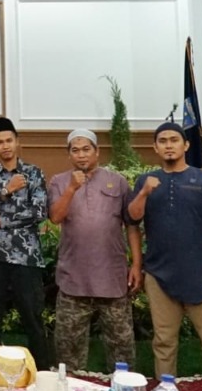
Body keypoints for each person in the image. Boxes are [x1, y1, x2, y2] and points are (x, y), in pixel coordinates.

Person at [127, 122, 202, 391]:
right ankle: (166, 389)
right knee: (163, 338)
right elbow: (132, 218)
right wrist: (144, 192)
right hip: (159, 273)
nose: (169, 145)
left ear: (186, 145)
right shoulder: (146, 181)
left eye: (174, 140)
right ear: (155, 147)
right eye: (162, 141)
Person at [47, 128, 141, 374]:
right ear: (69, 155)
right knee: (68, 354)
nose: (81, 155)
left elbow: (132, 225)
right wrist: (71, 188)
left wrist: (136, 265)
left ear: (97, 152)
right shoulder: (59, 182)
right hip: (73, 280)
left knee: (122, 350)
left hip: (112, 279)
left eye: (86, 149)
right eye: (75, 150)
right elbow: (55, 217)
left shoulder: (118, 181)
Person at [0, 117, 50, 365]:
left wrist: (2, 221)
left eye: (9, 140)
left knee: (32, 318)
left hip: (26, 258)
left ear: (17, 142)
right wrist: (6, 190)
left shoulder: (34, 173)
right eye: (0, 142)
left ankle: (41, 372)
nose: (5, 146)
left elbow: (39, 212)